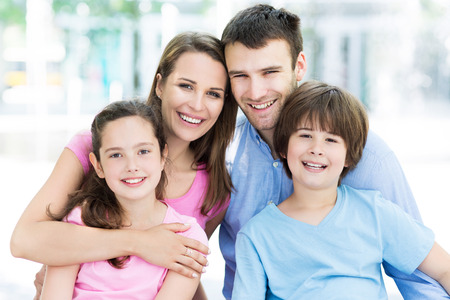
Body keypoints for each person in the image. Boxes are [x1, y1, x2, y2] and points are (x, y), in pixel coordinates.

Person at [219, 4, 449, 299]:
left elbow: (421, 276)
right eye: (240, 75)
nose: (255, 91)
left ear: (299, 66)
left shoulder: (368, 160)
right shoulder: (223, 154)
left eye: (270, 72)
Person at [10, 32, 237, 299]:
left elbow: (181, 270)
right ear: (160, 85)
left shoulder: (214, 188)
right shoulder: (91, 146)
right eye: (186, 86)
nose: (197, 104)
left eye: (213, 93)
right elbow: (23, 241)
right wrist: (139, 242)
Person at [231, 80, 450, 299]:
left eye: (331, 139)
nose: (316, 149)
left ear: (349, 156)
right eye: (305, 135)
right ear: (284, 147)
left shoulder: (375, 212)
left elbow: (444, 269)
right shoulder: (256, 236)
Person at [41, 100, 208, 299]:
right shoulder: (78, 222)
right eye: (116, 155)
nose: (132, 165)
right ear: (98, 166)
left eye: (143, 151)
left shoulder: (188, 238)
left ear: (163, 155)